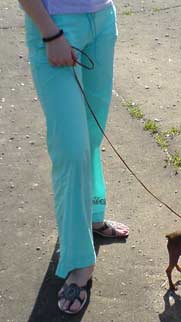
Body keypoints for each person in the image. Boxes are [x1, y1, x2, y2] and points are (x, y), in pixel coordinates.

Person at [20, 0, 129, 314]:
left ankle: (93, 214)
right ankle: (79, 261)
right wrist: (50, 34)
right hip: (55, 25)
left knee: (92, 133)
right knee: (72, 149)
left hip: (103, 20)